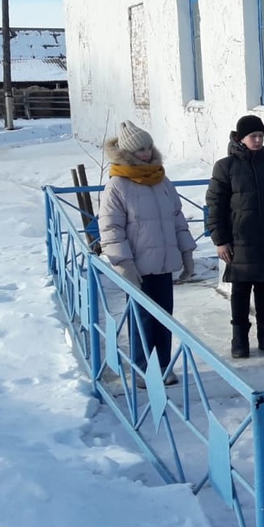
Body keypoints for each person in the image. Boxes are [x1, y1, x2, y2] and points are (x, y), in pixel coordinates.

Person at [98, 120, 196, 385]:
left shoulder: (162, 180)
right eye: (140, 149)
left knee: (164, 317)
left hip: (163, 264)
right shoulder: (118, 185)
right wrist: (124, 264)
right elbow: (111, 228)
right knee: (141, 319)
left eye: (148, 147)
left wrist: (186, 254)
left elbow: (177, 219)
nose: (146, 153)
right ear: (128, 153)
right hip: (137, 267)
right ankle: (142, 369)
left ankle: (164, 366)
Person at [206, 114, 264, 358]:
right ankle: (239, 340)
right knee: (241, 291)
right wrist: (220, 240)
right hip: (239, 241)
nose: (257, 140)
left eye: (260, 136)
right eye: (252, 136)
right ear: (240, 138)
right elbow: (215, 205)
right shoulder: (226, 167)